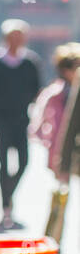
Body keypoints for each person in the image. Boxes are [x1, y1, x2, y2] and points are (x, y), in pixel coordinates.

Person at [0, 19, 43, 229]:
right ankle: (5, 208)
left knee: (24, 162)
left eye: (20, 37)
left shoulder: (30, 62)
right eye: (12, 37)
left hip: (22, 119)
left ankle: (9, 193)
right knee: (3, 164)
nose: (16, 41)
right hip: (0, 119)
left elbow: (37, 92)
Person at [29, 42, 80, 181]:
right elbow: (67, 126)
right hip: (62, 145)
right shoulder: (55, 93)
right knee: (63, 185)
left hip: (70, 147)